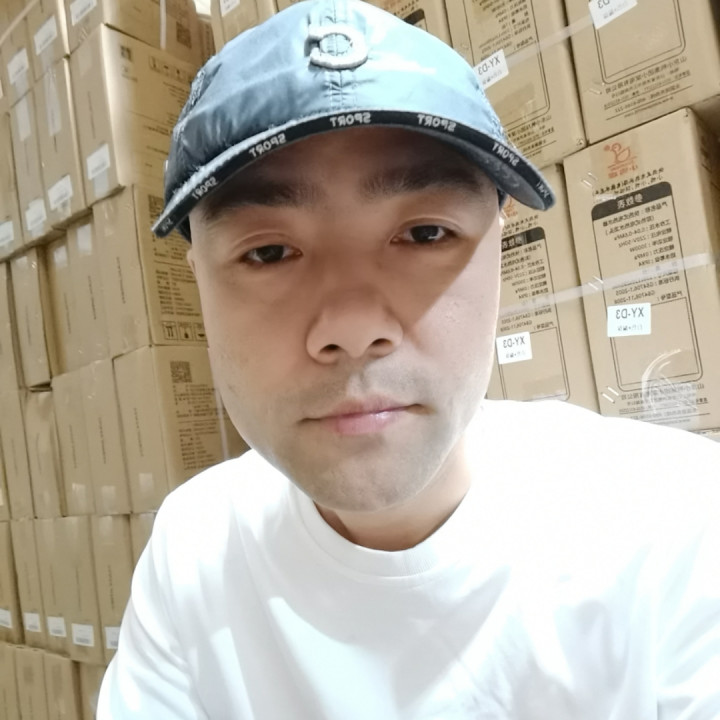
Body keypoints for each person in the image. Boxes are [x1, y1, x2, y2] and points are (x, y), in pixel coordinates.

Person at [97, 0, 720, 717]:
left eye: (425, 234)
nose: (353, 328)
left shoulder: (678, 532)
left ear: (500, 250)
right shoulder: (194, 552)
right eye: (268, 252)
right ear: (198, 284)